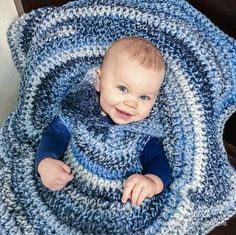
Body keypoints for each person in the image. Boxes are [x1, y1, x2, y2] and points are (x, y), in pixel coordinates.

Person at [35, 36, 171, 206]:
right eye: (123, 89)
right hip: (69, 191)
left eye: (144, 97)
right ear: (99, 81)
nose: (131, 103)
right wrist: (45, 162)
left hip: (118, 204)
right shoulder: (80, 110)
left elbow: (159, 161)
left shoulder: (144, 132)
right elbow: (54, 135)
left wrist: (152, 182)